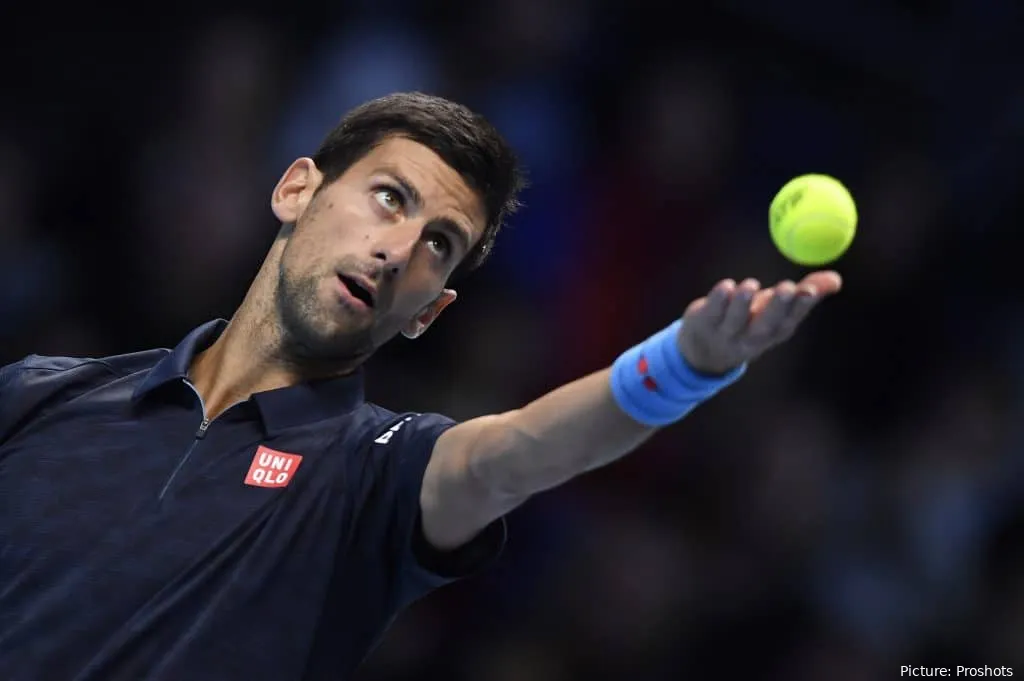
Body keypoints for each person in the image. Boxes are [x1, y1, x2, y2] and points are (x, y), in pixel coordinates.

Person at [0, 92, 842, 681]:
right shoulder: (42, 396)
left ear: (427, 312)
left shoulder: (375, 471)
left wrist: (684, 364)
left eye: (439, 243)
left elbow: (514, 454)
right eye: (388, 198)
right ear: (298, 189)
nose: (400, 248)